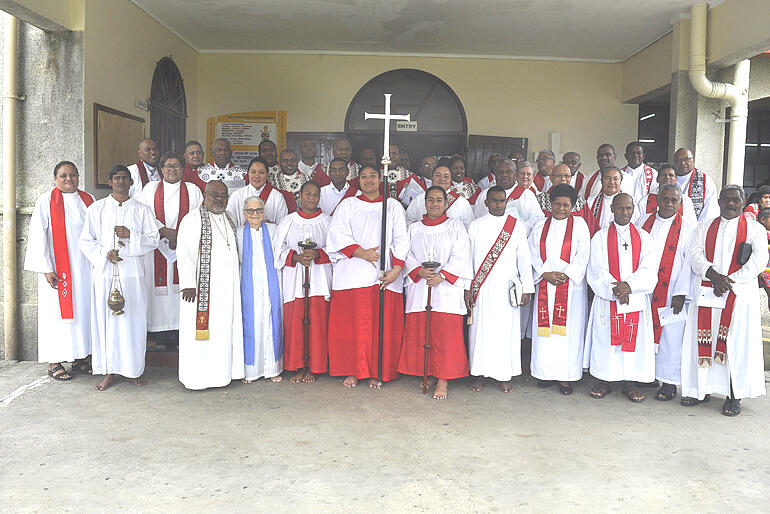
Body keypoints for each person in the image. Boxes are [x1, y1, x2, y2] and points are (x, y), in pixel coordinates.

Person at [680, 185, 768, 416]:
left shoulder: (755, 228)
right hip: (709, 291)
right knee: (703, 340)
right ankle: (701, 390)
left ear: (742, 202)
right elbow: (695, 254)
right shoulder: (705, 226)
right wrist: (714, 276)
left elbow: (759, 260)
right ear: (718, 202)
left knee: (735, 345)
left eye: (735, 200)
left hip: (738, 295)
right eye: (726, 200)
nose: (730, 204)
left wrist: (728, 281)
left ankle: (733, 394)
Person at [326, 166, 408, 388]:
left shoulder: (392, 206)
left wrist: (397, 269)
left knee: (379, 326)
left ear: (380, 179)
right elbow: (337, 233)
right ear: (358, 180)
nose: (369, 180)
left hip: (384, 276)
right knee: (352, 325)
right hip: (352, 274)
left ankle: (377, 370)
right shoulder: (348, 205)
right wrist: (362, 252)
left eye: (373, 176)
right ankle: (352, 369)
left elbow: (401, 238)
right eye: (364, 176)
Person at [78, 165, 159, 391]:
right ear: (110, 181)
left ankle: (133, 371)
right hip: (105, 274)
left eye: (125, 178)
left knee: (133, 322)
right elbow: (85, 241)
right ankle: (108, 371)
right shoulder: (97, 209)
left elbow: (153, 240)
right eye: (116, 178)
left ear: (131, 182)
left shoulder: (142, 210)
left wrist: (131, 235)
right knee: (107, 323)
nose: (121, 181)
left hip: (132, 274)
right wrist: (105, 254)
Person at [398, 186, 472, 399]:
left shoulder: (455, 226)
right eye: (431, 200)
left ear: (446, 203)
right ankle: (428, 371)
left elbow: (462, 254)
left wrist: (444, 275)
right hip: (421, 286)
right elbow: (406, 253)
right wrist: (419, 271)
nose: (435, 204)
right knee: (424, 332)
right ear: (425, 202)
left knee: (445, 336)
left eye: (439, 200)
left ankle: (443, 379)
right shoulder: (414, 228)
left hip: (446, 289)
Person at [25, 161, 95, 381]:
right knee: (56, 316)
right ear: (55, 179)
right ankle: (54, 361)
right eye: (63, 176)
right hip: (57, 270)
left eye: (73, 175)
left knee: (83, 311)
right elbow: (38, 235)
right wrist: (46, 268)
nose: (68, 179)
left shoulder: (88, 200)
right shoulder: (46, 200)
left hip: (84, 268)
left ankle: (81, 357)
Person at [584, 193, 657, 402]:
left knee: (633, 342)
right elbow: (596, 268)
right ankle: (604, 379)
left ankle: (630, 383)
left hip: (634, 298)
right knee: (606, 339)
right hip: (608, 298)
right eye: (620, 208)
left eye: (628, 208)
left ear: (633, 209)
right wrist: (615, 289)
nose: (625, 212)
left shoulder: (645, 238)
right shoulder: (599, 238)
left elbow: (649, 269)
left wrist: (629, 286)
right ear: (612, 209)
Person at [176, 180, 245, 390]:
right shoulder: (192, 219)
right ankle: (198, 378)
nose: (219, 199)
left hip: (229, 288)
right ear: (205, 195)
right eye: (214, 194)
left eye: (223, 195)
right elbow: (184, 252)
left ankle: (225, 373)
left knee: (225, 331)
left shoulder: (230, 218)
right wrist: (188, 283)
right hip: (201, 289)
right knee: (202, 335)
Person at [466, 186, 534, 393]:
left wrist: (527, 288)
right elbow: (467, 259)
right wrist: (467, 288)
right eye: (494, 201)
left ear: (507, 202)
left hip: (507, 289)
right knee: (480, 332)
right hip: (482, 288)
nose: (499, 204)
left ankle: (503, 376)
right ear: (486, 203)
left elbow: (524, 258)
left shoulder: (517, 227)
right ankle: (479, 374)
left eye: (502, 201)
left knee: (505, 333)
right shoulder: (475, 226)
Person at [633, 184, 696, 401]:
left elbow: (690, 263)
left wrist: (682, 291)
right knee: (645, 331)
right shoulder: (643, 221)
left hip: (672, 290)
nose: (669, 204)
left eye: (674, 200)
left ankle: (668, 382)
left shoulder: (688, 226)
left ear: (680, 202)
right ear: (657, 199)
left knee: (671, 336)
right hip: (645, 288)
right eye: (665, 199)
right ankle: (647, 375)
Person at [528, 184, 591, 395]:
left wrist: (567, 274)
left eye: (566, 205)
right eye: (557, 204)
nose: (561, 209)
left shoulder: (580, 225)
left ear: (572, 206)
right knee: (545, 334)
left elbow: (584, 254)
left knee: (568, 334)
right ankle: (545, 373)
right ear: (550, 204)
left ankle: (566, 376)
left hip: (571, 288)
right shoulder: (540, 226)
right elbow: (533, 253)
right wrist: (545, 273)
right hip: (546, 284)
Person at [137, 151, 204, 345]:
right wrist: (164, 231)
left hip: (184, 246)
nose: (172, 170)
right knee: (158, 290)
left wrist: (180, 236)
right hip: (157, 246)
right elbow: (143, 215)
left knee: (181, 287)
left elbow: (199, 216)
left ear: (183, 169)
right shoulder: (150, 189)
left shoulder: (192, 190)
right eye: (168, 166)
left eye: (176, 166)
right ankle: (157, 332)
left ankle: (178, 331)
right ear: (161, 169)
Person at [274, 182, 332, 383]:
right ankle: (298, 366)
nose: (311, 198)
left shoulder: (328, 222)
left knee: (317, 324)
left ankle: (315, 367)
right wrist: (295, 257)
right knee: (296, 324)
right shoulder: (288, 221)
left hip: (319, 279)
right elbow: (277, 250)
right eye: (307, 193)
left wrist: (318, 253)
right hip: (295, 279)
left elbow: (337, 249)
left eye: (316, 195)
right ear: (300, 195)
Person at [238, 196, 284, 383]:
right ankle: (251, 371)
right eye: (250, 211)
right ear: (244, 213)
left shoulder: (273, 230)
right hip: (248, 285)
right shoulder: (239, 233)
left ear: (263, 212)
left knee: (272, 321)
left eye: (258, 210)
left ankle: (273, 369)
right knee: (251, 323)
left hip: (271, 283)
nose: (254, 214)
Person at [473, 159, 544, 229]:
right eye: (500, 172)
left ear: (515, 174)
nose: (505, 175)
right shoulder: (484, 195)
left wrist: (518, 231)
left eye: (509, 172)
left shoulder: (527, 195)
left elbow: (537, 219)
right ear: (495, 174)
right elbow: (477, 218)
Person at [227, 156, 289, 226]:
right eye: (253, 172)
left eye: (261, 172)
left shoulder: (277, 196)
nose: (257, 176)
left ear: (267, 174)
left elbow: (283, 225)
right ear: (248, 173)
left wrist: (271, 226)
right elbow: (230, 223)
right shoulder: (237, 195)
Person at [406, 165, 474, 228]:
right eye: (438, 175)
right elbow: (408, 220)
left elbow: (469, 227)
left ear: (451, 179)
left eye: (446, 176)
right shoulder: (419, 199)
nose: (442, 179)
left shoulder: (462, 203)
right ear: (432, 178)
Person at [536, 163, 595, 231]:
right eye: (559, 176)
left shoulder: (580, 202)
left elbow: (591, 228)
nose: (563, 179)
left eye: (567, 176)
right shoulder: (539, 200)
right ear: (551, 178)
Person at [633, 163, 698, 224]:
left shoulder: (686, 201)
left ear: (676, 179)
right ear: (657, 179)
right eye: (664, 175)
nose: (667, 177)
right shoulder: (645, 200)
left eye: (671, 175)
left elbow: (691, 224)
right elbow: (639, 222)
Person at [673, 148, 719, 222]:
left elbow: (709, 210)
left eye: (687, 159)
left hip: (696, 229)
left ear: (693, 161)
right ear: (674, 163)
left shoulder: (705, 181)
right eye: (678, 160)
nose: (683, 163)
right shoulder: (667, 178)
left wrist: (698, 229)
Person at [588, 166, 625, 232]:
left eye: (615, 179)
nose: (612, 182)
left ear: (621, 181)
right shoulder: (590, 201)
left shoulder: (628, 202)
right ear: (601, 181)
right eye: (608, 178)